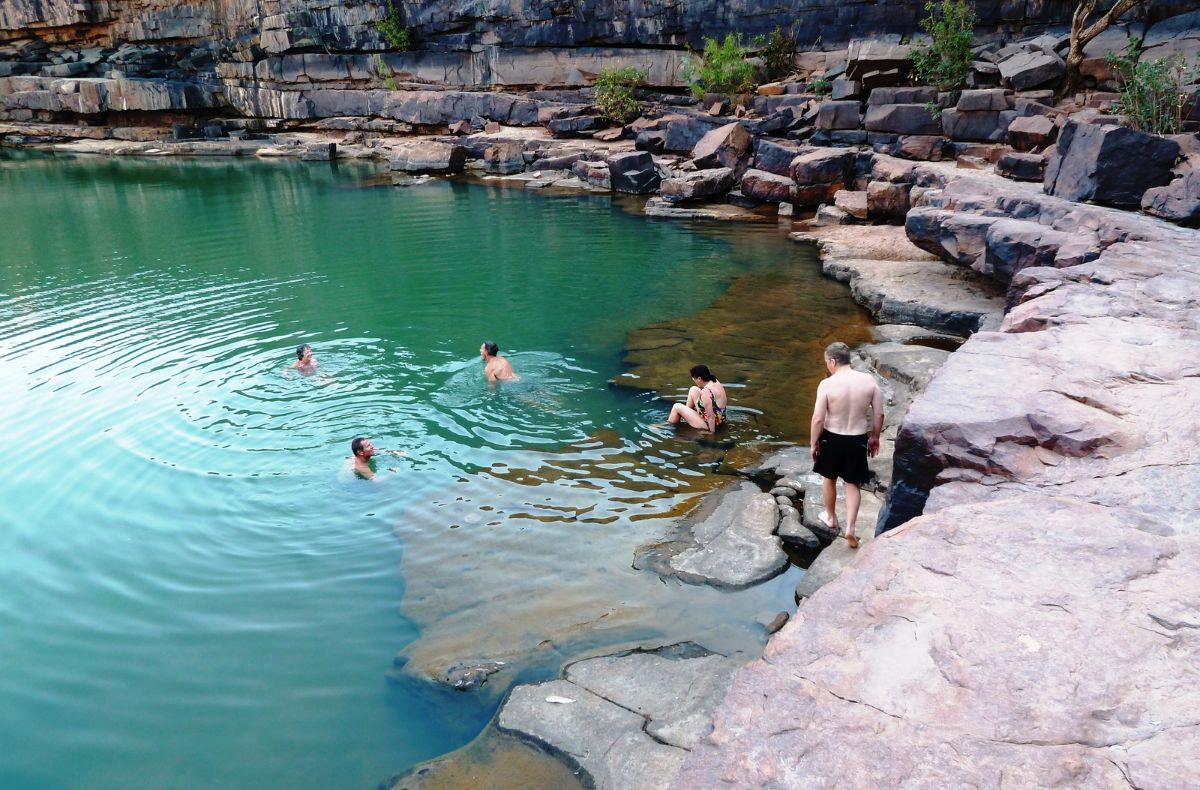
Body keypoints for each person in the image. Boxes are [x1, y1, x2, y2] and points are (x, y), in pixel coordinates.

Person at [810, 342, 883, 549]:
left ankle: (831, 518)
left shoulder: (827, 384)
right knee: (853, 484)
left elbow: (817, 418)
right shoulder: (869, 381)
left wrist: (813, 443)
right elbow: (879, 413)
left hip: (832, 437)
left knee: (829, 478)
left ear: (832, 361)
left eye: (827, 363)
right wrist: (875, 437)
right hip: (857, 438)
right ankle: (850, 527)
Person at [666, 364, 728, 433]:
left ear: (699, 378)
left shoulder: (706, 392)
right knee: (693, 389)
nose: (693, 380)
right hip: (721, 418)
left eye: (694, 378)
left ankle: (668, 429)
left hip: (711, 424)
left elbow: (711, 417)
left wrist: (712, 434)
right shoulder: (714, 380)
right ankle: (687, 416)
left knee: (676, 406)